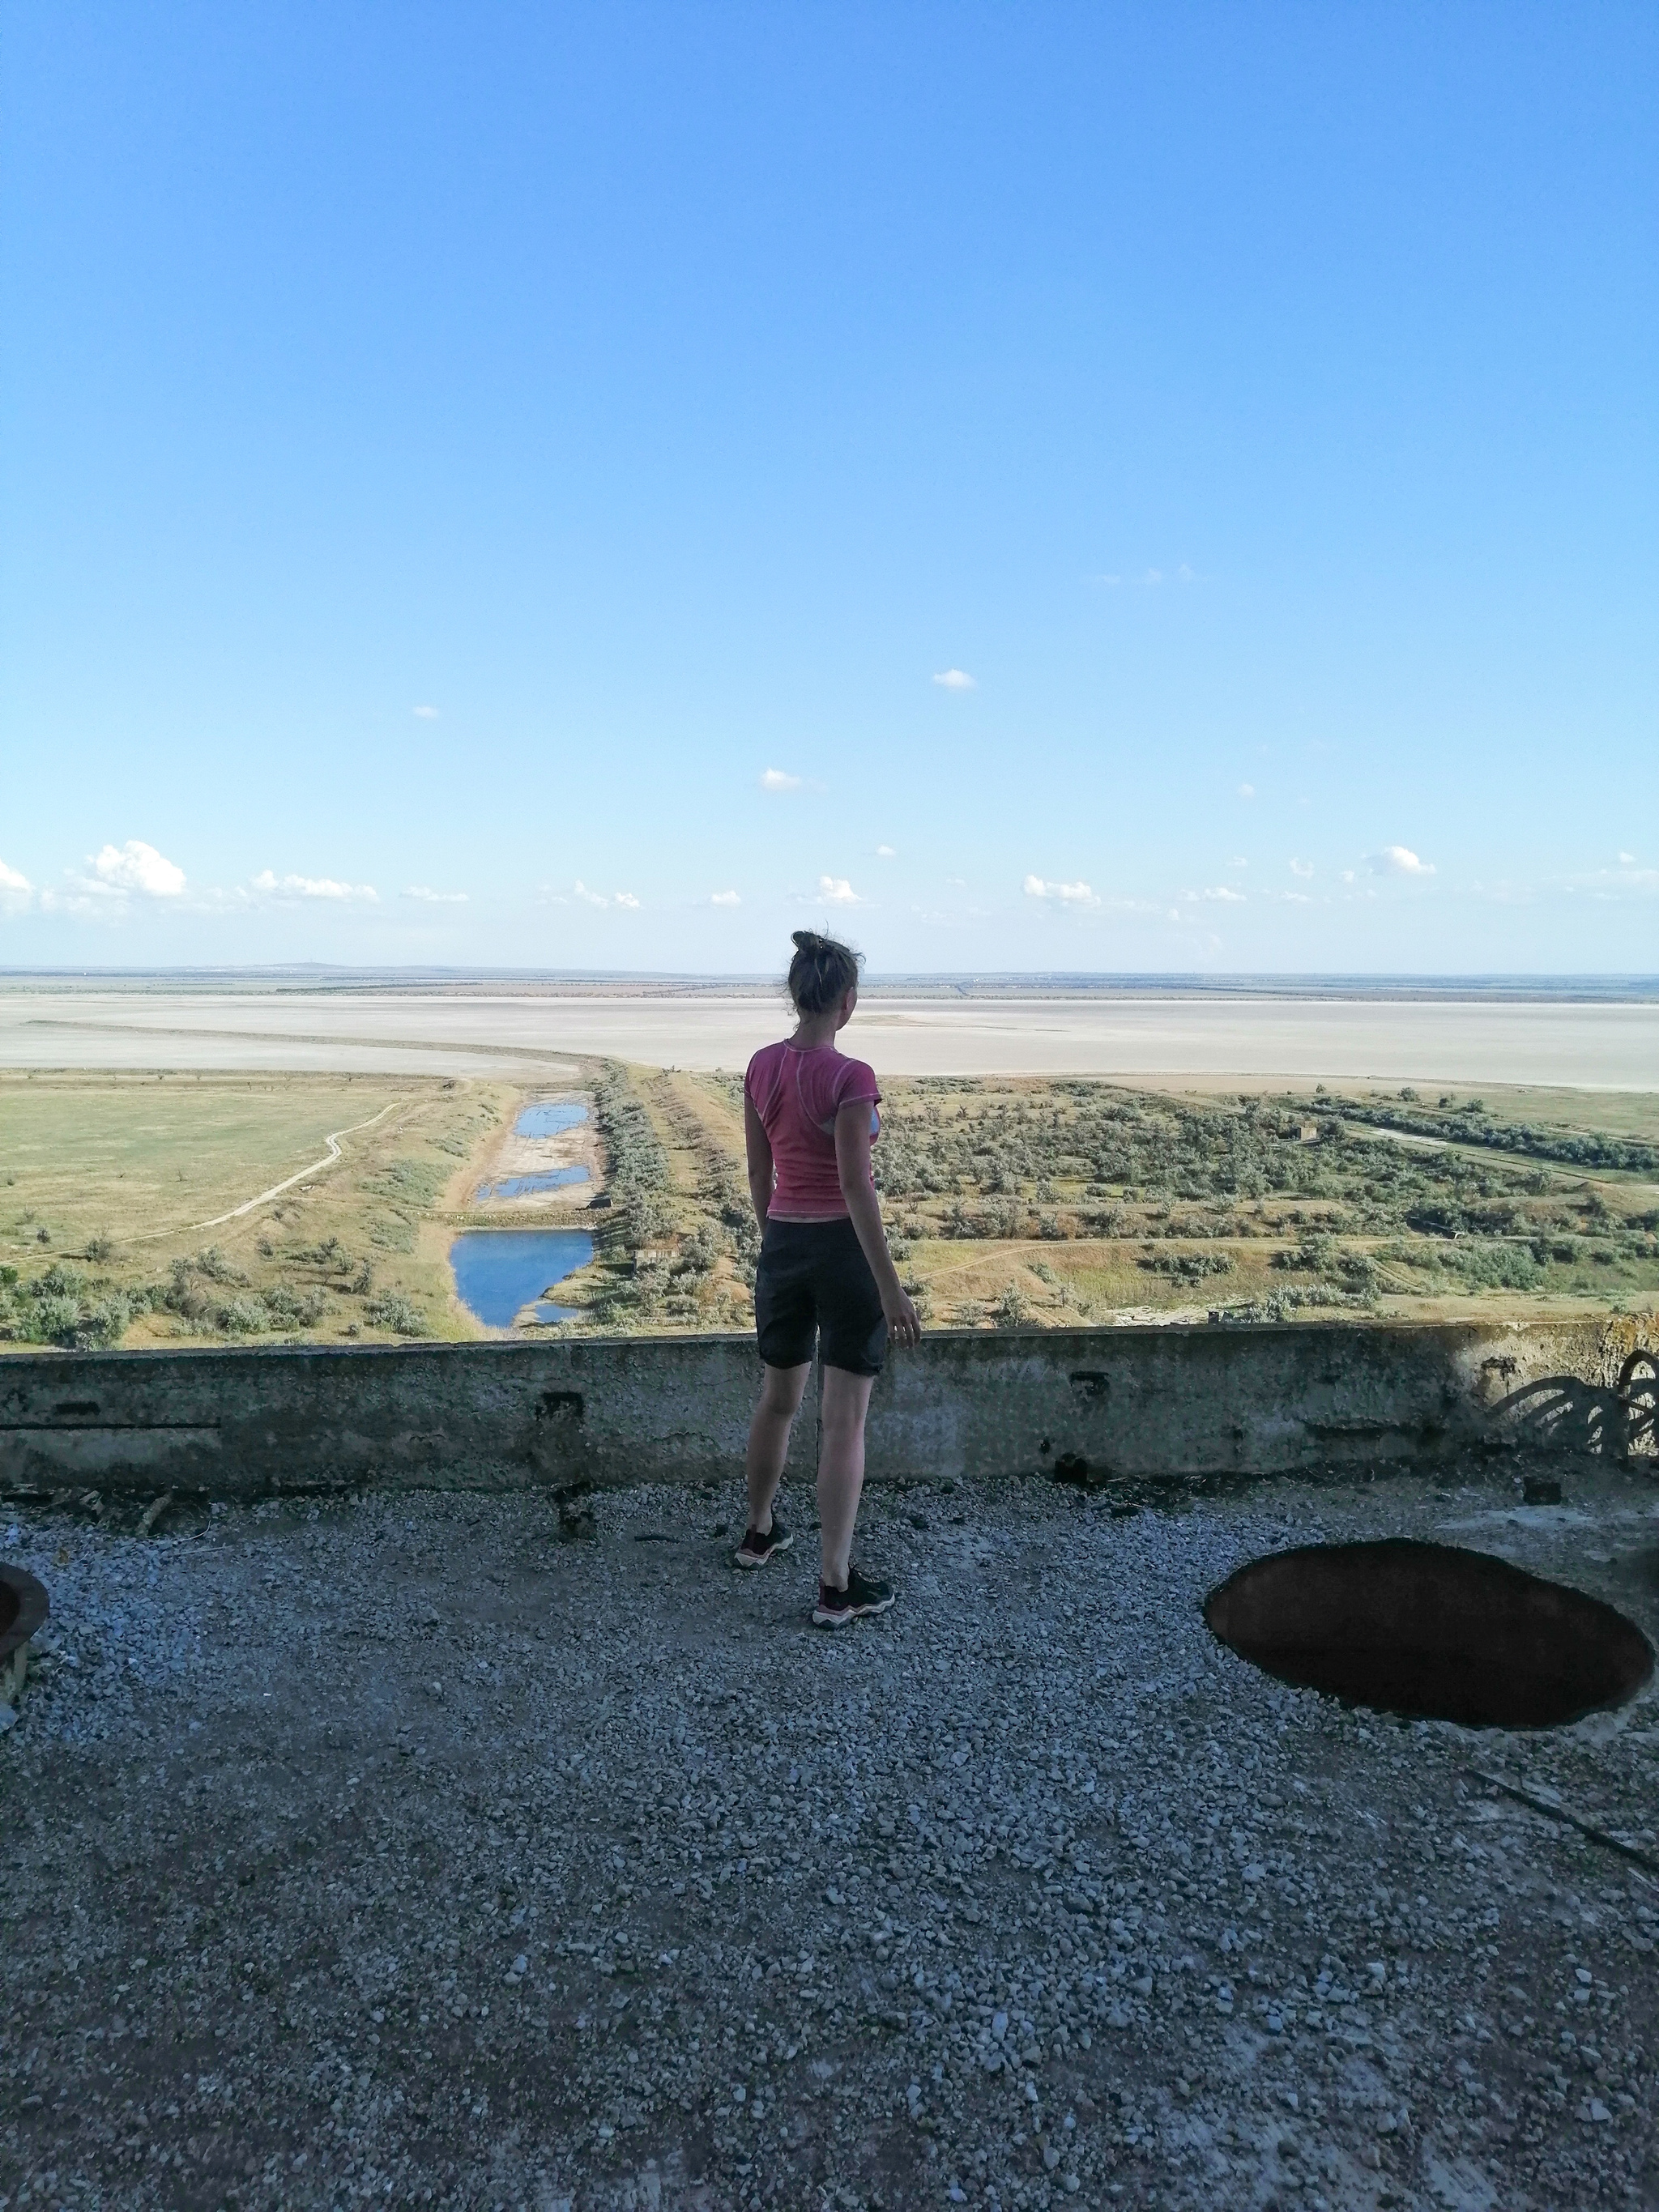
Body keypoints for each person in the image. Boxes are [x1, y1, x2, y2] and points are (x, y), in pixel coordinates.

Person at [736, 929, 921, 1626]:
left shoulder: (759, 1067)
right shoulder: (851, 1078)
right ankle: (834, 1586)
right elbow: (855, 1184)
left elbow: (760, 1174)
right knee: (844, 1421)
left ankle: (758, 1533)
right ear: (847, 1001)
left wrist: (775, 1239)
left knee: (777, 1400)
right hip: (843, 1254)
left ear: (795, 995)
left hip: (782, 1244)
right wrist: (889, 1284)